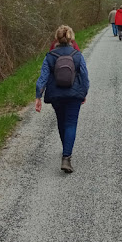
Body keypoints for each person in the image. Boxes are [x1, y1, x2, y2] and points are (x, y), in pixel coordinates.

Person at [35, 25, 90, 174]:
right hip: (74, 95)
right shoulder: (77, 55)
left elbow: (43, 78)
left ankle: (65, 147)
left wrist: (38, 96)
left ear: (56, 38)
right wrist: (83, 93)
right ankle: (66, 156)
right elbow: (84, 77)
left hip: (56, 95)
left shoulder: (50, 56)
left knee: (61, 121)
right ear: (71, 38)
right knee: (71, 123)